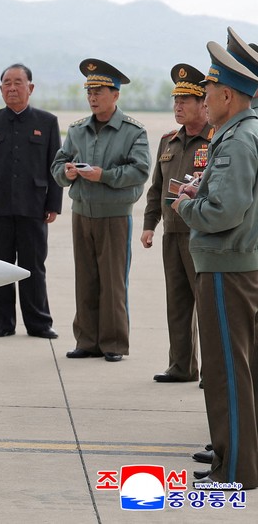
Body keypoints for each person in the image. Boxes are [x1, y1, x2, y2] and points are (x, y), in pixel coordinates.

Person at [173, 39, 258, 490]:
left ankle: (235, 471)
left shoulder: (237, 140)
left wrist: (186, 206)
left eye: (208, 91)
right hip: (240, 263)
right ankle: (242, 462)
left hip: (227, 266)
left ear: (227, 94)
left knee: (227, 372)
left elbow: (224, 212)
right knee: (242, 369)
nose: (203, 99)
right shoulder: (246, 132)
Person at [51, 58, 150, 363]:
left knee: (113, 281)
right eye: (89, 92)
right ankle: (87, 341)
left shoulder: (132, 131)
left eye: (99, 92)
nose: (92, 98)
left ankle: (114, 343)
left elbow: (140, 170)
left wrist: (103, 175)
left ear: (115, 95)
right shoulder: (77, 130)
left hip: (114, 215)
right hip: (82, 212)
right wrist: (66, 173)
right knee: (86, 279)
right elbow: (58, 163)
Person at [0, 64, 62, 339]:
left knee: (33, 267)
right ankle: (0, 323)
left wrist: (53, 204)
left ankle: (39, 323)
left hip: (33, 206)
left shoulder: (47, 122)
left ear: (30, 88)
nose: (12, 88)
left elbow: (55, 165)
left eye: (18, 82)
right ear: (1, 89)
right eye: (7, 83)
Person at [140, 63, 210, 383]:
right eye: (176, 101)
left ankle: (212, 371)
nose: (178, 106)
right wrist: (149, 224)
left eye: (185, 101)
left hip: (203, 234)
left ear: (202, 103)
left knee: (206, 305)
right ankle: (181, 366)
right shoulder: (168, 141)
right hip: (172, 233)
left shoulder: (215, 140)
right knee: (177, 302)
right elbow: (156, 188)